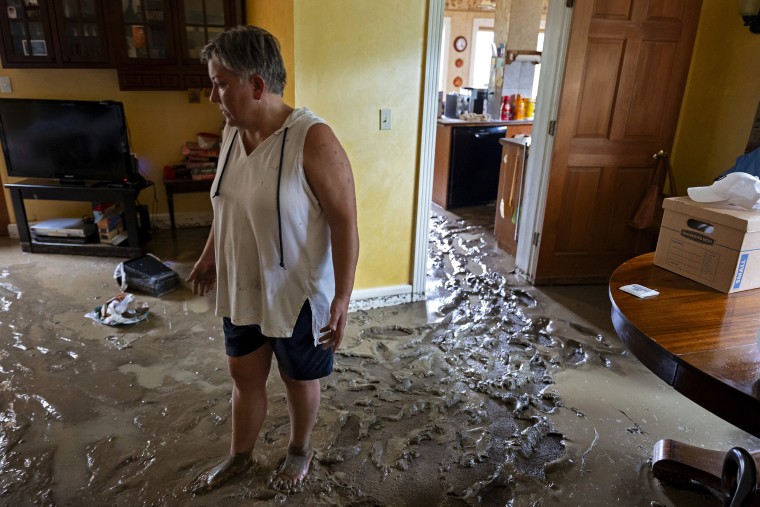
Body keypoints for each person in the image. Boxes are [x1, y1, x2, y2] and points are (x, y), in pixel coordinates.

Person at [186, 25, 359, 493]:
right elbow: (230, 202)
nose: (212, 95)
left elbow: (345, 221)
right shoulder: (231, 129)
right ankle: (240, 456)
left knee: (296, 377)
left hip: (295, 293)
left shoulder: (312, 137)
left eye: (220, 83)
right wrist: (208, 256)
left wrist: (342, 298)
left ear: (256, 85)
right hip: (242, 283)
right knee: (244, 375)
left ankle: (299, 451)